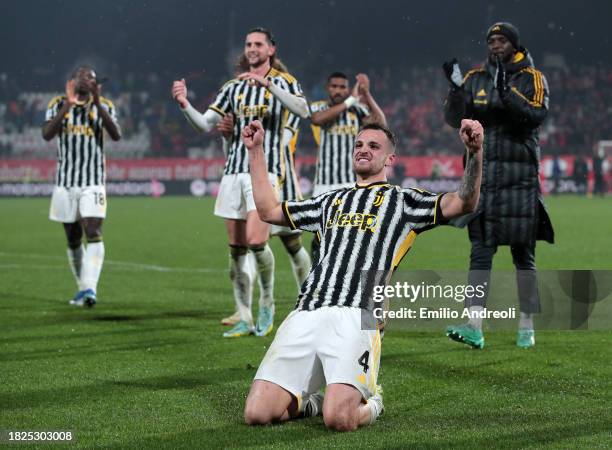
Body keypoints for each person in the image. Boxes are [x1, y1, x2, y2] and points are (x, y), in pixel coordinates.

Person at [241, 118, 484, 430]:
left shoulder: (404, 201)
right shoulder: (329, 201)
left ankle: (373, 401)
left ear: (389, 159)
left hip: (358, 315)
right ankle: (310, 401)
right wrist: (256, 150)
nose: (363, 150)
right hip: (307, 311)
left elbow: (464, 202)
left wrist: (474, 153)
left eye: (373, 146)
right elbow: (269, 211)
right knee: (257, 414)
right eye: (358, 144)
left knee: (339, 419)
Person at [171, 27, 309, 337]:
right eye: (248, 44)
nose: (252, 48)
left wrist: (268, 85)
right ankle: (244, 314)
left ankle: (268, 304)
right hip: (233, 173)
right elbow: (204, 124)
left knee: (259, 241)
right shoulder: (232, 87)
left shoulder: (285, 83)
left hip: (267, 172)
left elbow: (303, 110)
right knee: (236, 248)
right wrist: (184, 104)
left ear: (271, 49)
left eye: (258, 44)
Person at [442, 22, 554, 349]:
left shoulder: (532, 77)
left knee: (524, 256)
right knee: (480, 251)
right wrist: (454, 91)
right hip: (484, 177)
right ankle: (474, 325)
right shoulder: (475, 77)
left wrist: (506, 91)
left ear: (514, 44)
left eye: (501, 40)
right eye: (491, 40)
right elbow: (454, 119)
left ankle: (526, 326)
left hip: (520, 180)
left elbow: (535, 115)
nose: (495, 45)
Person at [42, 66, 121, 307]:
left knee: (93, 231)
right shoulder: (57, 104)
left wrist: (96, 102)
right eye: (82, 77)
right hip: (66, 183)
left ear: (97, 84)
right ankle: (82, 288)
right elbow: (47, 134)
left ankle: (91, 289)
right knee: (73, 237)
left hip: (93, 181)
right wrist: (68, 103)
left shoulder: (105, 105)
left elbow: (116, 135)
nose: (86, 81)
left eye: (91, 78)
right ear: (73, 81)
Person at [309, 72, 386, 261]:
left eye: (342, 87)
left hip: (349, 183)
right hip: (324, 184)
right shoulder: (319, 107)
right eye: (334, 86)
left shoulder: (356, 111)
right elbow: (317, 120)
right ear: (327, 88)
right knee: (320, 236)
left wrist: (366, 94)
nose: (338, 90)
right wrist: (351, 99)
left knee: (350, 236)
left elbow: (381, 124)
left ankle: (345, 280)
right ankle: (318, 280)